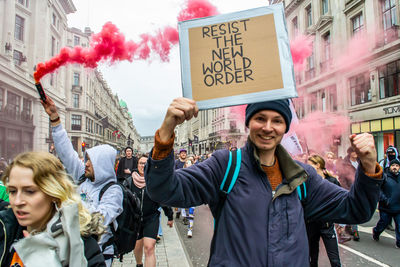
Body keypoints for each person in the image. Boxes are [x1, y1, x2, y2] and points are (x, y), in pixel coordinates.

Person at [144, 97, 383, 266]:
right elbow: (165, 190)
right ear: (248, 123)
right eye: (260, 118)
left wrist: (369, 168)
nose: (268, 127)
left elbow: (356, 210)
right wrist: (166, 135)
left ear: (285, 128)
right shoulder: (225, 165)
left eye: (277, 121)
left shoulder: (303, 177)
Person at [40, 96, 123, 267]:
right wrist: (55, 120)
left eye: (90, 160)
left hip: (98, 255)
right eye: (86, 159)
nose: (85, 163)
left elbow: (99, 220)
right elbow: (66, 153)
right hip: (73, 251)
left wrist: (68, 205)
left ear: (101, 164)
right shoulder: (82, 176)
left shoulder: (113, 191)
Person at [0, 151, 106, 266]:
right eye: (13, 191)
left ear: (54, 194)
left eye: (30, 191)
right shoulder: (5, 229)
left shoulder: (82, 246)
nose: (17, 201)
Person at [123, 155, 173, 267]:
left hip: (151, 218)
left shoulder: (154, 182)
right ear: (137, 165)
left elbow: (163, 200)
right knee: (137, 246)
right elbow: (123, 202)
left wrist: (169, 216)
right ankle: (139, 264)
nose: (143, 165)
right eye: (141, 163)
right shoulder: (129, 182)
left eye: (146, 163)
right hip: (135, 220)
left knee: (149, 248)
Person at [307, 154, 344, 267]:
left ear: (318, 165)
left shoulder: (332, 181)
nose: (307, 168)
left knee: (334, 260)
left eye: (310, 165)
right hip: (311, 224)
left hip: (327, 225)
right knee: (312, 258)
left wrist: (341, 222)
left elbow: (341, 200)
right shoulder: (307, 180)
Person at [373, 158, 400, 248]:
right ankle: (376, 232)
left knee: (399, 225)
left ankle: (399, 243)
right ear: (389, 166)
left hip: (398, 207)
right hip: (386, 207)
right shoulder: (384, 176)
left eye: (397, 166)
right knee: (383, 223)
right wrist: (385, 199)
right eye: (393, 166)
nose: (395, 167)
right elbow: (378, 190)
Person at [338, 146, 361, 241]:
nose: (356, 153)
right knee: (351, 209)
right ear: (350, 153)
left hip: (359, 189)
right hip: (349, 189)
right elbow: (342, 178)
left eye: (357, 152)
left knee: (356, 209)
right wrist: (346, 189)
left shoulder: (360, 162)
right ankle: (353, 231)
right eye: (354, 152)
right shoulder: (344, 163)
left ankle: (349, 227)